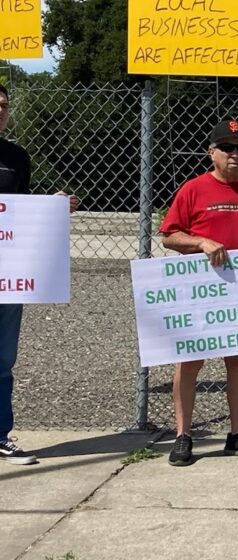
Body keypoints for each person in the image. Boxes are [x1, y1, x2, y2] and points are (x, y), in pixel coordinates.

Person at [159, 118, 238, 467]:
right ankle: (183, 435)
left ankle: (237, 434)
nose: (235, 154)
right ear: (211, 152)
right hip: (199, 290)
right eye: (227, 147)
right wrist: (200, 241)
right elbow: (169, 236)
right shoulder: (193, 190)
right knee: (190, 361)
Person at [0, 83, 79, 466]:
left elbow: (21, 210)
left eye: (3, 105)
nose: (0, 111)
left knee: (2, 359)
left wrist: (54, 207)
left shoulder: (17, 157)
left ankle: (0, 435)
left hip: (7, 274)